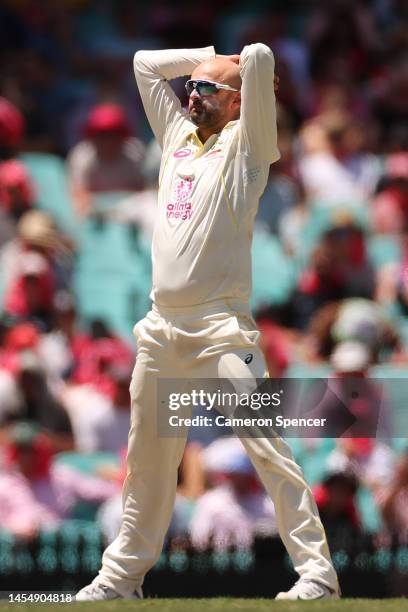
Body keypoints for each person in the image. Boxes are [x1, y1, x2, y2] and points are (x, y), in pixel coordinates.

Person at [76, 43, 339, 601]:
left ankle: (317, 574)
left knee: (267, 444)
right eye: (189, 86)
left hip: (224, 331)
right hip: (160, 330)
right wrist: (206, 57)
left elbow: (264, 59)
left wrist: (245, 62)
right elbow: (145, 65)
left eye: (206, 88)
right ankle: (122, 579)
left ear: (240, 101)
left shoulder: (249, 149)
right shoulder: (176, 139)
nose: (190, 93)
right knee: (147, 461)